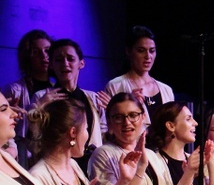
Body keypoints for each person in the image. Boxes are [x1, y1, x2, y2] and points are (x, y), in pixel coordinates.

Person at [31, 38, 108, 172]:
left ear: (81, 63)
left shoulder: (93, 98)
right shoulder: (42, 97)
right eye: (59, 60)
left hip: (93, 167)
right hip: (58, 167)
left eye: (70, 59)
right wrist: (38, 108)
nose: (65, 64)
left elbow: (104, 135)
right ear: (51, 65)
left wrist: (113, 111)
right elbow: (33, 140)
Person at [1, 29, 54, 166]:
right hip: (25, 154)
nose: (44, 56)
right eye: (36, 52)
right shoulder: (14, 89)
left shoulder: (56, 88)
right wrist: (34, 108)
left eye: (47, 51)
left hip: (51, 151)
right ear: (28, 57)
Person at [102, 26, 174, 119]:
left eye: (152, 51)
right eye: (141, 51)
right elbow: (106, 126)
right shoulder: (115, 86)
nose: (148, 56)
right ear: (129, 51)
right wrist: (128, 103)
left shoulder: (166, 90)